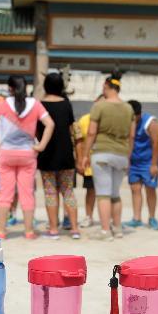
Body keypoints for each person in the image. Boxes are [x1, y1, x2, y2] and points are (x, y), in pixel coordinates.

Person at [0, 75, 54, 240]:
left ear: (10, 88)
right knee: (27, 193)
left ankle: (2, 230)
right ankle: (28, 231)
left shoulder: (3, 104)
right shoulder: (35, 104)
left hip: (5, 153)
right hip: (28, 154)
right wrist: (41, 145)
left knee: (5, 194)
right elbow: (50, 124)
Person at [79, 75, 134, 241]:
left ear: (106, 86)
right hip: (122, 154)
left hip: (102, 153)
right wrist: (128, 156)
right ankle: (117, 228)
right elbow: (131, 136)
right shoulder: (128, 108)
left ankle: (105, 231)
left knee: (103, 194)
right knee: (115, 194)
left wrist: (85, 154)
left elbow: (91, 132)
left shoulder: (99, 106)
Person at [35, 73, 80, 239]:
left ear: (46, 86)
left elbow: (37, 131)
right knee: (68, 191)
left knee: (50, 192)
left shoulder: (40, 105)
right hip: (66, 154)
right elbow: (71, 129)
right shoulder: (66, 104)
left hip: (46, 153)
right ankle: (75, 229)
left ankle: (53, 229)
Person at [125, 100, 158, 231]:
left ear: (137, 114)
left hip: (147, 163)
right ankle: (136, 218)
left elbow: (156, 143)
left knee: (150, 190)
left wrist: (154, 164)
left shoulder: (150, 122)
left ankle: (152, 218)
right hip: (134, 163)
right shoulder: (127, 121)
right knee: (135, 190)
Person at [74, 96, 103, 228]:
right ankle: (88, 216)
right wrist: (79, 160)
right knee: (90, 191)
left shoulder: (109, 121)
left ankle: (107, 219)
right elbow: (79, 142)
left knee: (107, 192)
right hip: (89, 164)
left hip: (106, 162)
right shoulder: (84, 120)